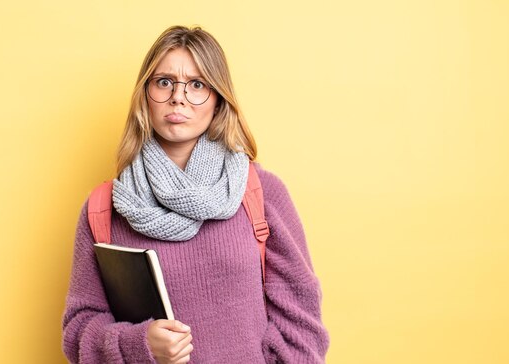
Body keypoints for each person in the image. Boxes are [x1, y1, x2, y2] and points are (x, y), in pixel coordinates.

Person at [62, 25, 329, 363]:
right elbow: (79, 330)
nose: (178, 97)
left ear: (218, 100)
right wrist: (138, 344)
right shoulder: (105, 209)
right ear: (145, 95)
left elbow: (302, 322)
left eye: (197, 85)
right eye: (164, 82)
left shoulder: (260, 193)